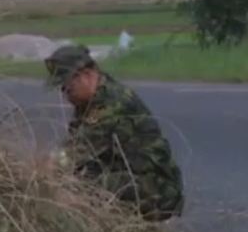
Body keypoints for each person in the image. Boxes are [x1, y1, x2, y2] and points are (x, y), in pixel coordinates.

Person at [44, 44, 184, 221]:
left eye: (67, 88)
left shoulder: (111, 105)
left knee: (78, 185)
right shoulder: (92, 100)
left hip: (156, 189)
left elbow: (72, 156)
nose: (65, 95)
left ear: (86, 75)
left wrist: (41, 174)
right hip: (133, 179)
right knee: (81, 176)